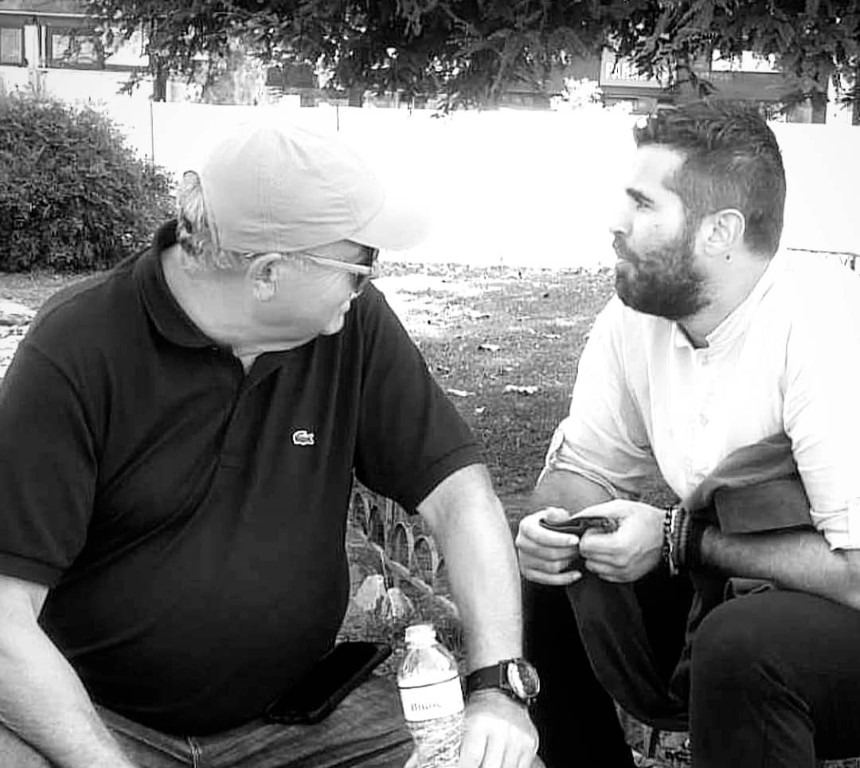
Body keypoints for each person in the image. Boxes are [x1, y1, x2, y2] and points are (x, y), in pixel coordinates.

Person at [0, 119, 540, 768]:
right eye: (361, 265)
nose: (368, 282)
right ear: (267, 274)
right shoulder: (77, 347)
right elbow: (4, 619)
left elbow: (460, 497)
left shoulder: (351, 325)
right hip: (100, 721)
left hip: (300, 717)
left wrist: (498, 686)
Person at [515, 100, 860, 768]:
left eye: (644, 204)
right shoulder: (636, 320)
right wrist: (553, 526)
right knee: (563, 563)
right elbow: (582, 469)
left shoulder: (822, 330)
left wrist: (681, 539)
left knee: (743, 643)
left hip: (840, 603)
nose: (616, 223)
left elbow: (855, 572)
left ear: (720, 231)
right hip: (745, 593)